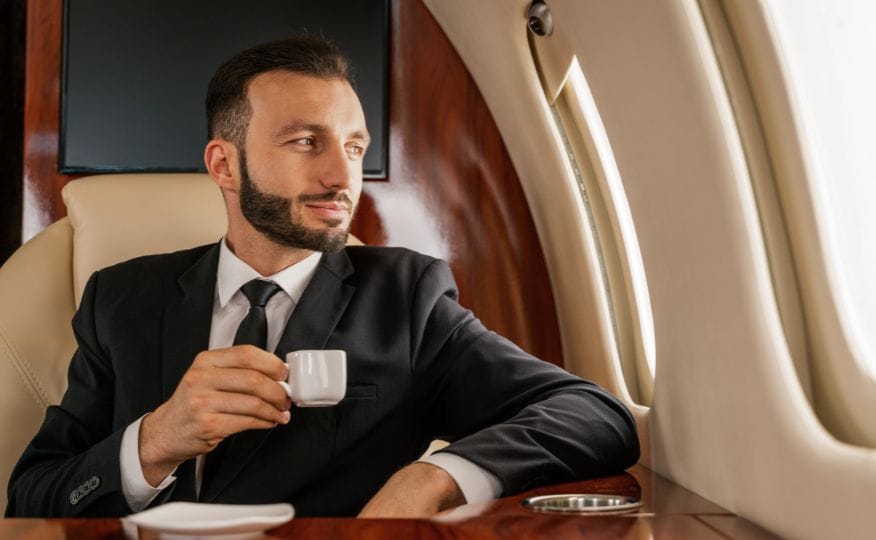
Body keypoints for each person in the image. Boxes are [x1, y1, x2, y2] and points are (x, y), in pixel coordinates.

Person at [5, 36, 639, 518]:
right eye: (308, 142)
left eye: (355, 146)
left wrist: (435, 475)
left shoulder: (407, 296)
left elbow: (594, 414)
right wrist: (155, 441)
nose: (343, 177)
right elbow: (32, 499)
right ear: (225, 165)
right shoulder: (122, 298)